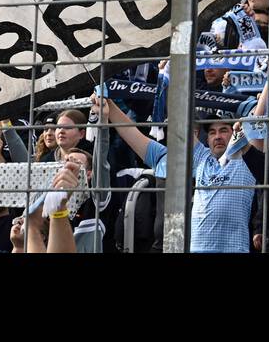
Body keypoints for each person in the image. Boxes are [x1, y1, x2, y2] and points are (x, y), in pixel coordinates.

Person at [97, 94, 254, 252]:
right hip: (164, 244)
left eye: (223, 130)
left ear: (197, 134)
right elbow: (130, 131)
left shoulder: (220, 159)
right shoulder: (164, 156)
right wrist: (109, 104)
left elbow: (252, 133)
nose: (217, 136)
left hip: (206, 244)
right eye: (212, 132)